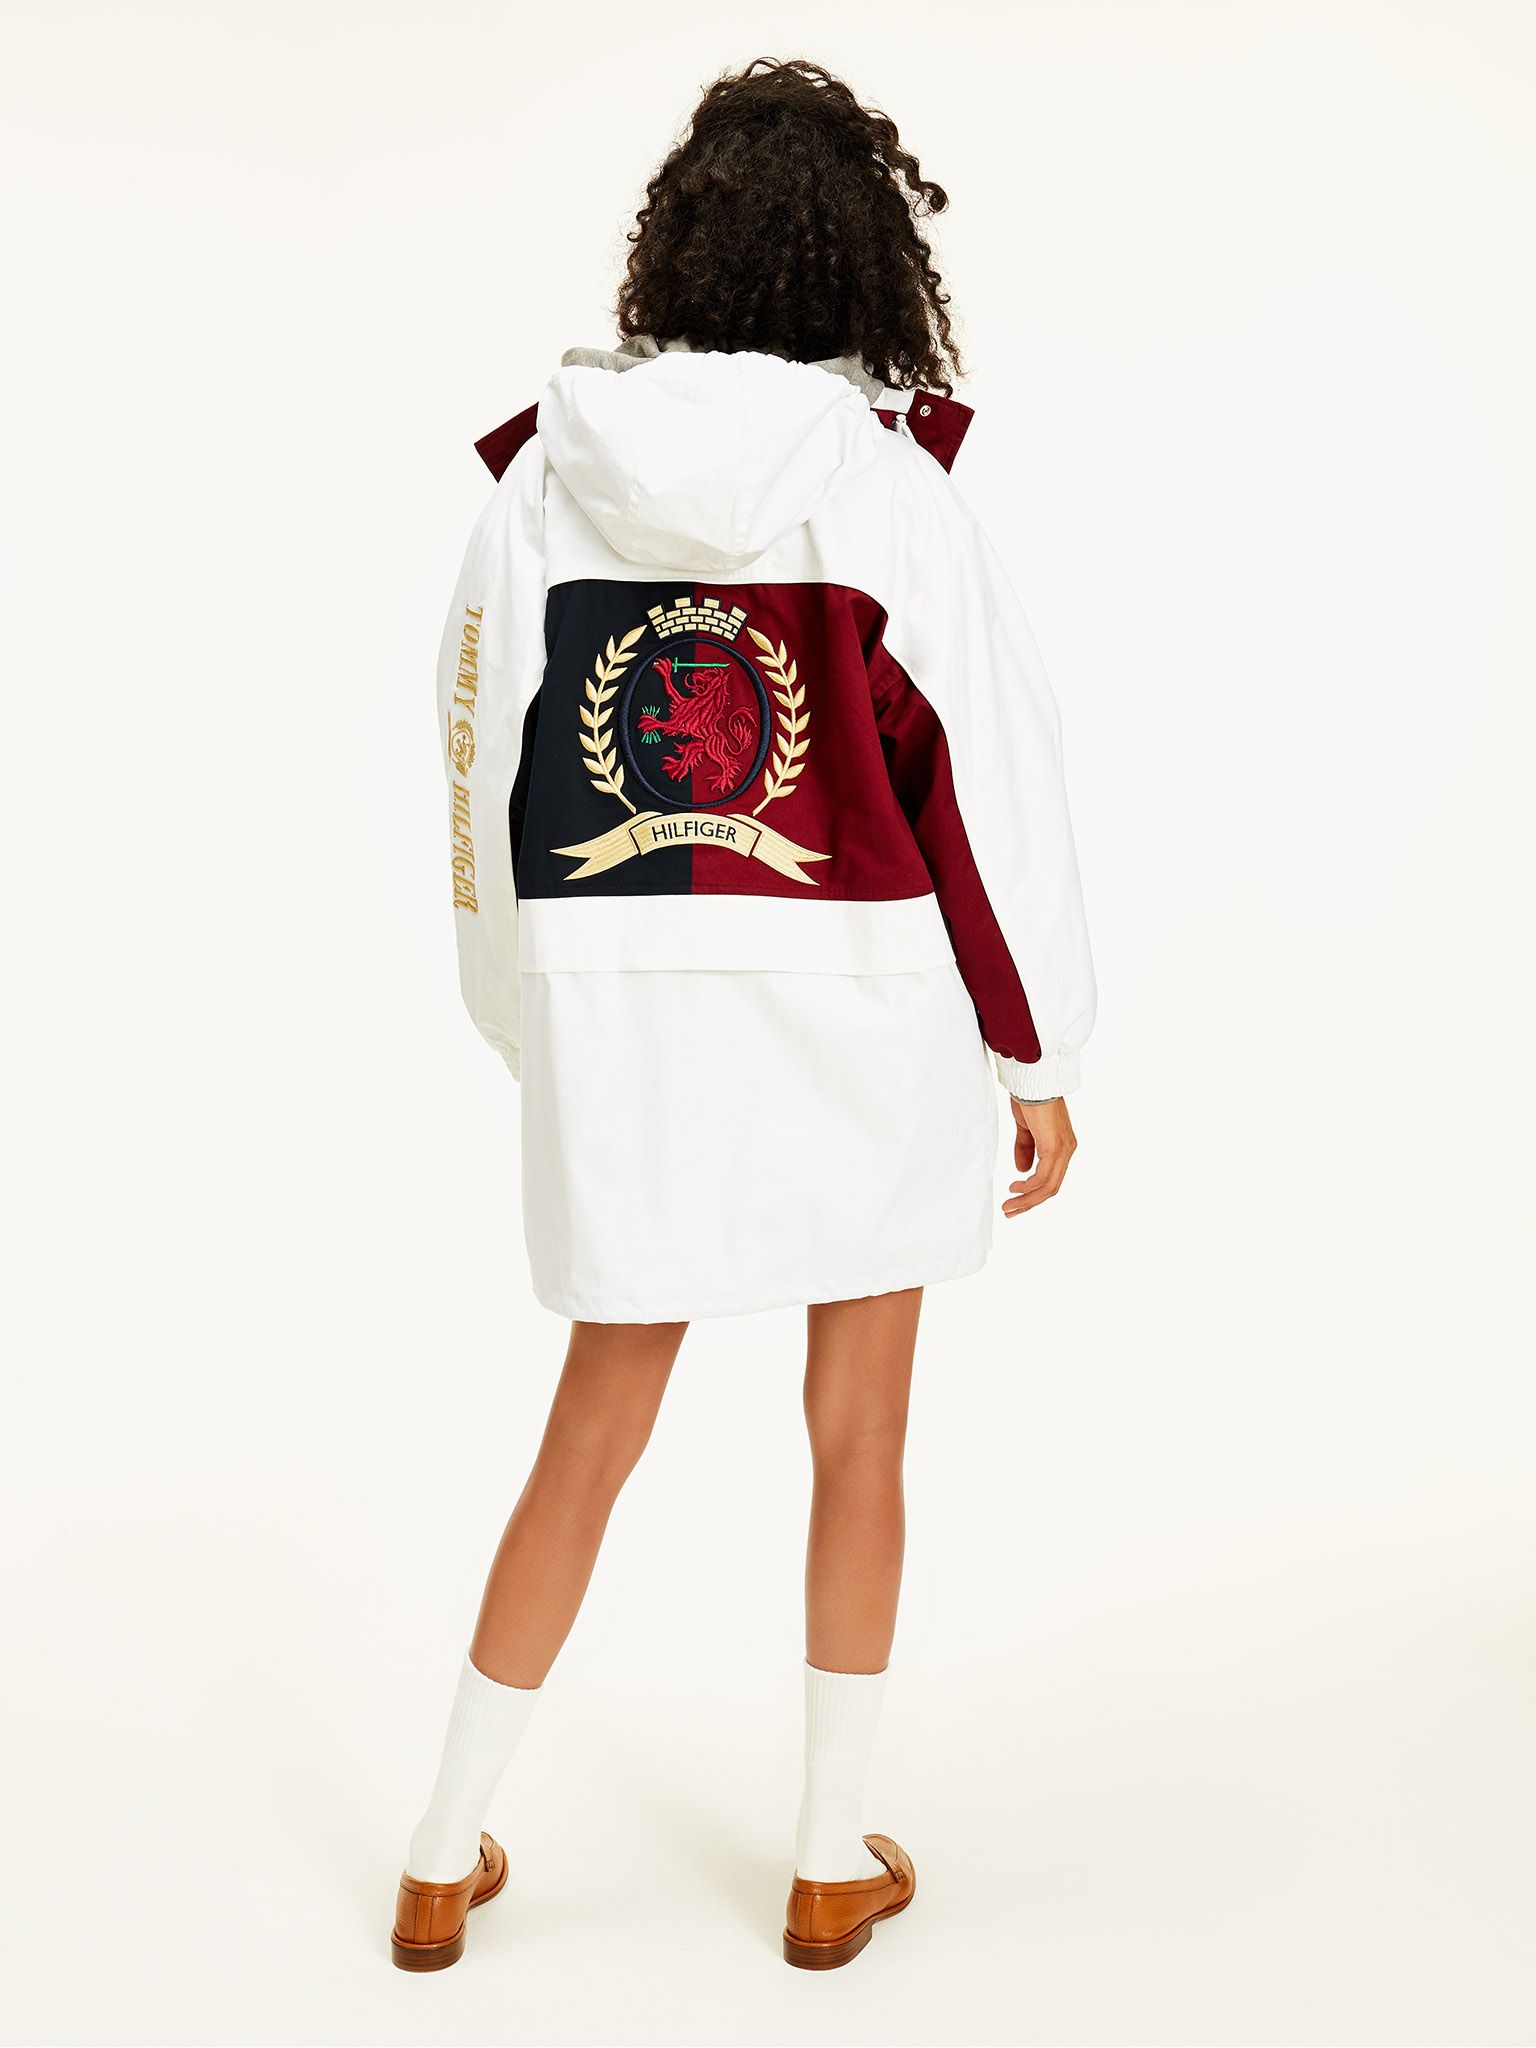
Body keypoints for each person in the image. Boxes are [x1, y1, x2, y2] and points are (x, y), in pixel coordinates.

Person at [392, 56, 1095, 1974]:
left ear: (676, 256)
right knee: (857, 1428)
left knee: (590, 1430)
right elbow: (988, 788)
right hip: (864, 1007)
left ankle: (442, 1853)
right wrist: (1034, 1054)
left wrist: (526, 1016)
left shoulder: (541, 483)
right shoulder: (888, 488)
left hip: (630, 1019)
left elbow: (476, 763)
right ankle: (824, 1858)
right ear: (863, 265)